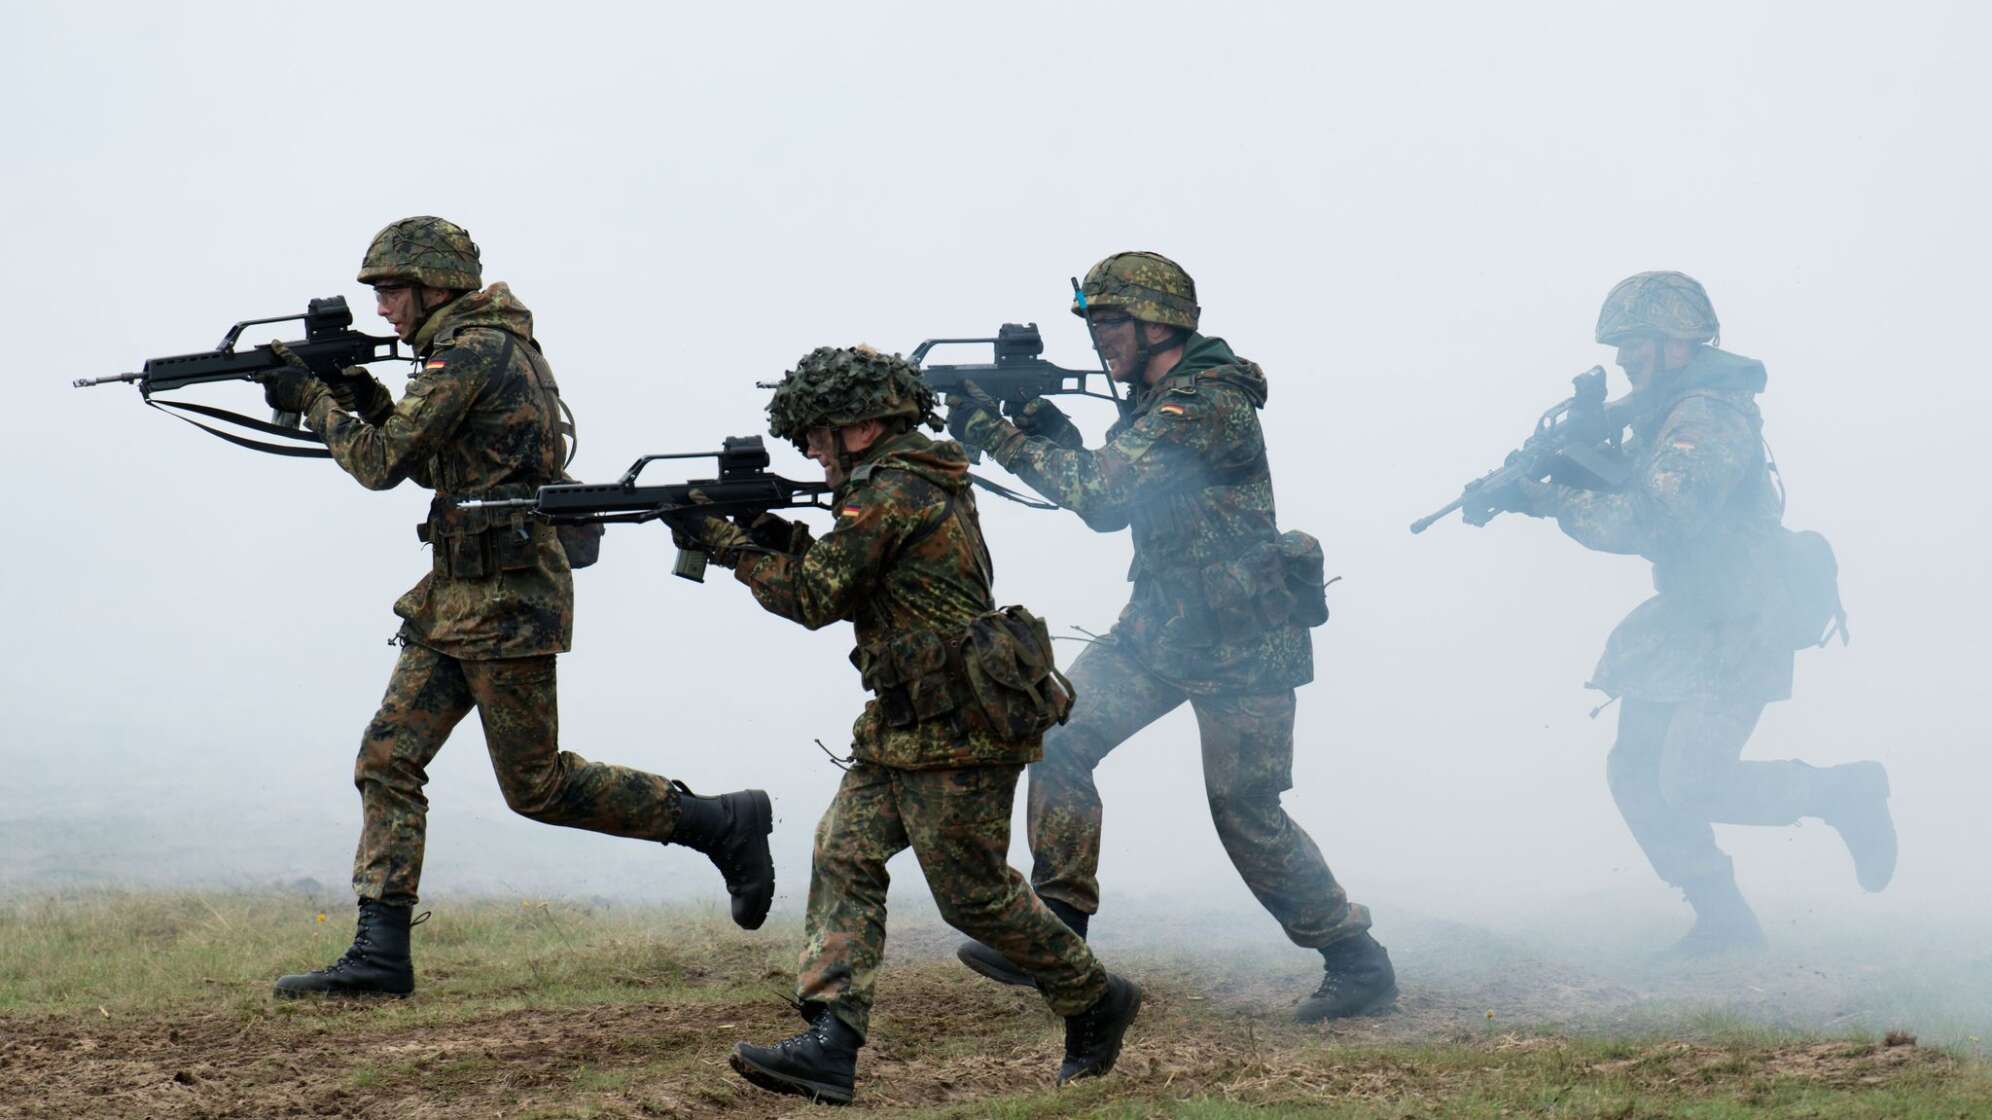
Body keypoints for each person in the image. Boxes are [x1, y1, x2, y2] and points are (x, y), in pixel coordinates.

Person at [261, 216, 775, 998]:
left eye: (393, 291)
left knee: (537, 786)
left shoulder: (472, 349)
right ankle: (380, 953)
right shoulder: (473, 345)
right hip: (457, 597)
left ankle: (719, 823)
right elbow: (440, 455)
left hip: (505, 602)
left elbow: (381, 463)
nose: (384, 310)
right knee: (387, 759)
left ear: (436, 284)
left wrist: (313, 400)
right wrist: (360, 391)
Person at [670, 345, 1141, 1105]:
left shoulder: (893, 489)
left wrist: (726, 544)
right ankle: (830, 1038)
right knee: (843, 850)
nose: (811, 451)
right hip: (905, 720)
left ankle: (1095, 998)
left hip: (961, 725)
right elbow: (854, 575)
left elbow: (816, 598)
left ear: (862, 426)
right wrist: (763, 530)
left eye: (818, 434)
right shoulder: (893, 484)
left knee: (975, 898)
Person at [945, 252, 1395, 1021]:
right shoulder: (1160, 399)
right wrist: (1044, 426)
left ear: (1161, 324)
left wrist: (997, 433)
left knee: (1245, 812)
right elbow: (1122, 492)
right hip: (1157, 629)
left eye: (1112, 322)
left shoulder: (1207, 404)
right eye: (1094, 323)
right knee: (1058, 737)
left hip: (1243, 644)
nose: (1099, 340)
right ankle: (1059, 923)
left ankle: (1355, 958)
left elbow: (1099, 495)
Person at [1491, 270, 1896, 954]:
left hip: (1743, 622)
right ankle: (1723, 919)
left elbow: (1658, 520)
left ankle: (1842, 794)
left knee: (1694, 780)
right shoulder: (1666, 411)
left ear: (1677, 345)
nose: (1623, 359)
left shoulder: (1707, 415)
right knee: (1636, 772)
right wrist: (1561, 472)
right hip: (1692, 617)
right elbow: (1639, 490)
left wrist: (1553, 501)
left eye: (1635, 344)